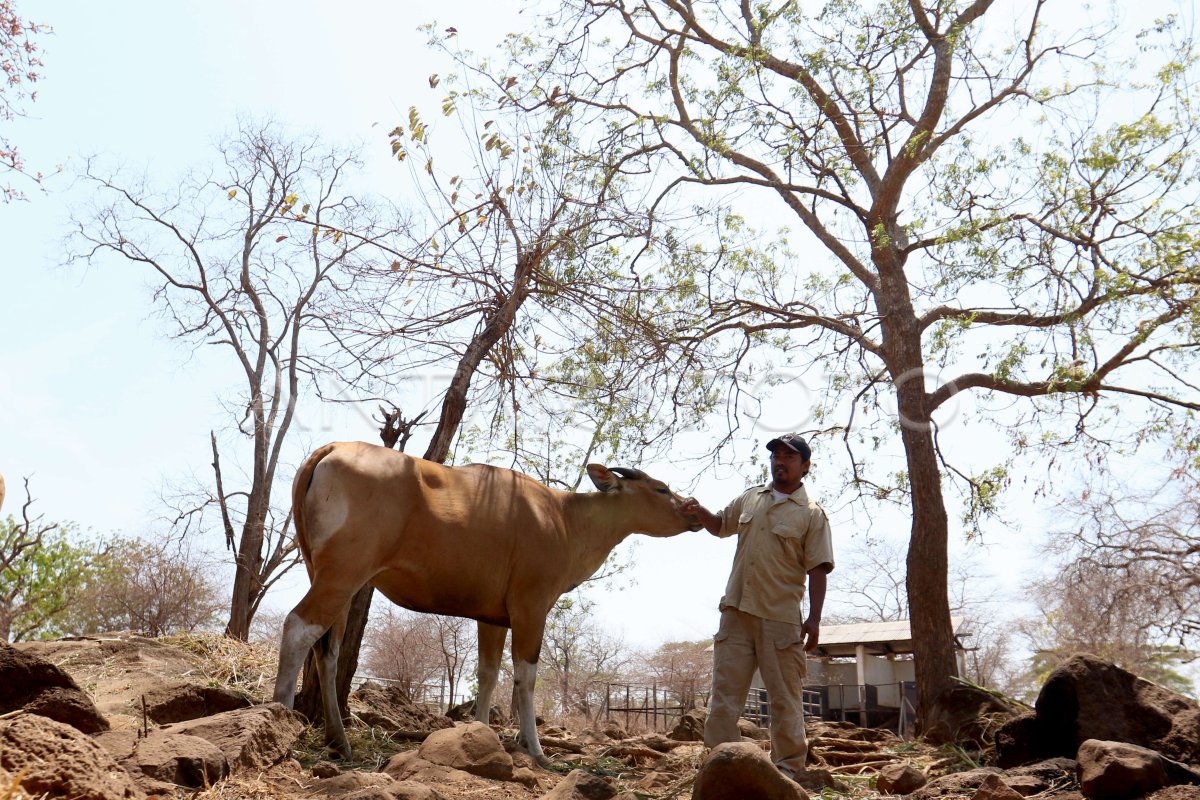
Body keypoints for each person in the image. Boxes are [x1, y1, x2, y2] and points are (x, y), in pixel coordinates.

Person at [682, 432, 835, 781]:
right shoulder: (751, 497)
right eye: (776, 455)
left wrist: (814, 619)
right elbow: (720, 525)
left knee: (784, 700)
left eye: (789, 457)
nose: (780, 461)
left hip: (780, 618)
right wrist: (699, 510)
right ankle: (720, 767)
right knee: (724, 697)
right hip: (736, 613)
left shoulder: (812, 514)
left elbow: (818, 568)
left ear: (805, 466)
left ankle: (788, 770)